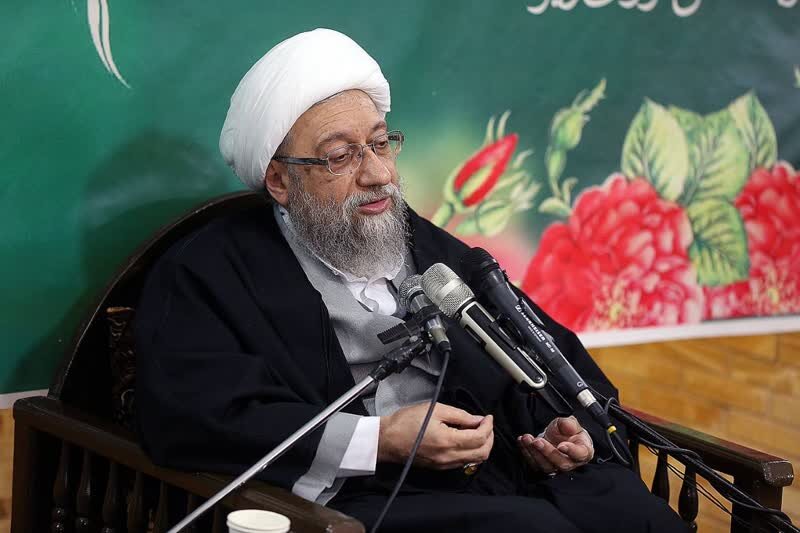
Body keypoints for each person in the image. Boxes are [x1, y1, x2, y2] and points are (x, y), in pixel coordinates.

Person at [134, 28, 688, 532]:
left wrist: (552, 435)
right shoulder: (211, 271)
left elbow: (533, 358)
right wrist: (380, 440)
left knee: (634, 515)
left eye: (380, 144)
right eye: (340, 157)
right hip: (362, 501)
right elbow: (203, 417)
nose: (377, 174)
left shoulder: (431, 249)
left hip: (500, 474)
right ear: (280, 180)